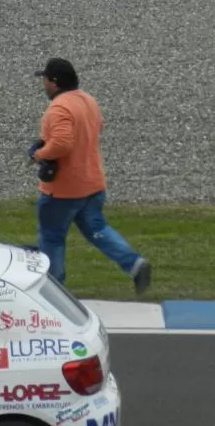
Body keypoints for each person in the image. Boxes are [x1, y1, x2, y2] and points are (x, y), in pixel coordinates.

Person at [29, 57, 151, 294]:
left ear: (54, 82)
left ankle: (54, 294)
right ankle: (134, 264)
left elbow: (62, 143)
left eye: (45, 79)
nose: (43, 83)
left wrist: (40, 153)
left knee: (52, 238)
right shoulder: (88, 100)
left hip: (63, 191)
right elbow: (97, 128)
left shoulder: (59, 107)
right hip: (92, 184)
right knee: (99, 230)